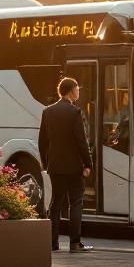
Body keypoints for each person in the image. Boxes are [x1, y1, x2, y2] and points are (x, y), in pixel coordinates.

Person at [38, 77, 94, 252]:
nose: (79, 92)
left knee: (55, 204)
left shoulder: (48, 112)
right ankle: (75, 243)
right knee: (75, 203)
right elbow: (81, 141)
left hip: (55, 167)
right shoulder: (74, 112)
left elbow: (42, 142)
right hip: (74, 166)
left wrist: (47, 164)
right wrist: (88, 164)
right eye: (77, 89)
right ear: (71, 91)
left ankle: (53, 243)